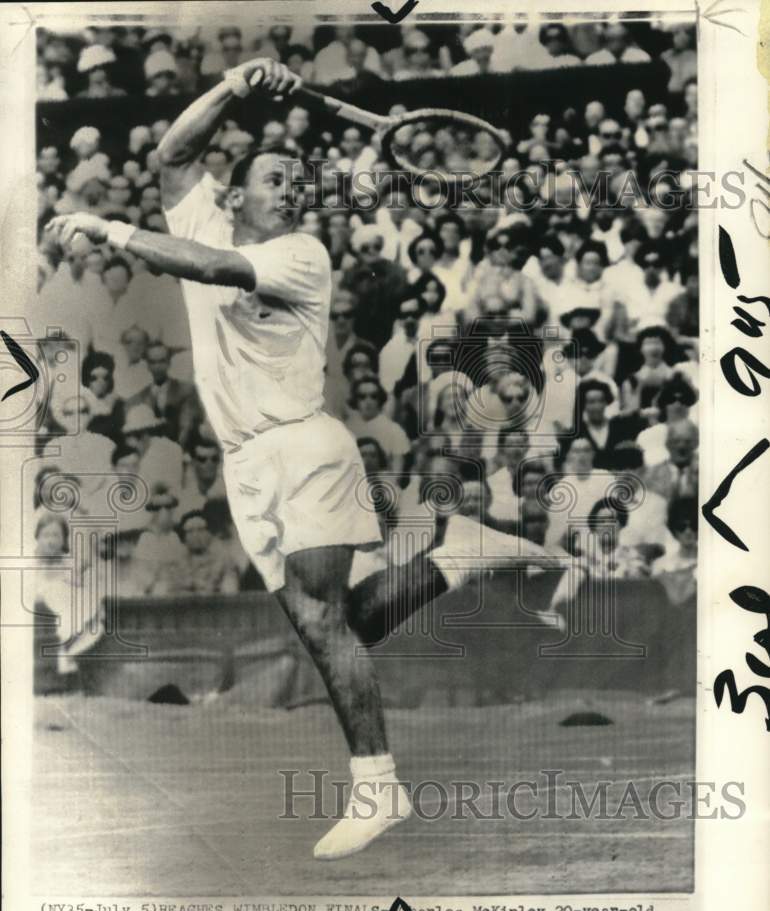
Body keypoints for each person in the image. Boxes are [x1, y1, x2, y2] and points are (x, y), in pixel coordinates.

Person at [45, 55, 560, 862]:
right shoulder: (201, 216)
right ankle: (456, 555)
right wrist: (234, 87)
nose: (291, 188)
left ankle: (378, 786)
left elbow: (211, 270)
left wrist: (106, 227)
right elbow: (172, 158)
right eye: (275, 177)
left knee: (323, 624)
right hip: (247, 463)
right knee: (340, 624)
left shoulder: (301, 255)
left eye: (297, 179)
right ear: (232, 193)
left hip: (306, 449)